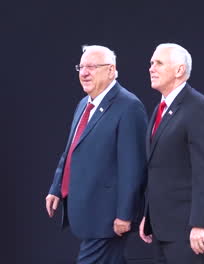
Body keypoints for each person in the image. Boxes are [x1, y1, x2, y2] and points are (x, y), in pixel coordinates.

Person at [45, 45, 148, 264]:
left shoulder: (129, 107)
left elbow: (133, 168)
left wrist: (125, 214)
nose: (84, 73)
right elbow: (71, 150)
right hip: (86, 211)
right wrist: (57, 187)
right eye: (81, 67)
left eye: (91, 66)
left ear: (111, 70)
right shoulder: (84, 104)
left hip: (108, 218)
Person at [139, 43, 204, 264]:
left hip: (186, 229)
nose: (151, 68)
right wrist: (149, 215)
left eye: (158, 63)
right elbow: (159, 167)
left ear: (179, 70)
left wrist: (200, 224)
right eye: (151, 63)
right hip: (161, 226)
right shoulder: (161, 108)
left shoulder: (198, 107)